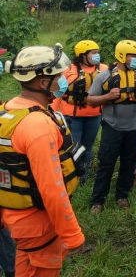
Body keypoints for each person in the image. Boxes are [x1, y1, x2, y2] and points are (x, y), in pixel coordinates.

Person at [1, 44, 85, 276]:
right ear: (41, 82)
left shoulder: (7, 110)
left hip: (18, 221)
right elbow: (52, 188)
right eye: (58, 76)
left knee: (24, 266)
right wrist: (72, 234)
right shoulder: (38, 125)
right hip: (38, 224)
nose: (62, 80)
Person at [87, 40, 136, 213]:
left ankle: (122, 196)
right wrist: (108, 97)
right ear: (121, 56)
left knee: (129, 163)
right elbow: (90, 100)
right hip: (113, 127)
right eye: (132, 55)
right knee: (106, 163)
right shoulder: (104, 77)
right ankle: (98, 201)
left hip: (135, 128)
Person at [52, 40, 108, 185]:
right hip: (72, 116)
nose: (97, 56)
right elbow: (59, 93)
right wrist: (51, 111)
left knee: (87, 147)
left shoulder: (103, 69)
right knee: (73, 147)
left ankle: (82, 177)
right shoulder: (69, 71)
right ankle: (71, 176)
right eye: (93, 53)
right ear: (82, 55)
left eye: (98, 53)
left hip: (94, 116)